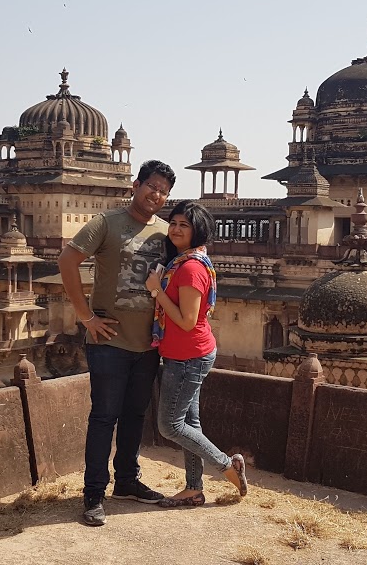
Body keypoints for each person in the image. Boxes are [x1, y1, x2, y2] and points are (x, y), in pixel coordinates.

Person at [57, 159, 176, 527]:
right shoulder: (107, 223)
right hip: (108, 341)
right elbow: (67, 261)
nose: (156, 194)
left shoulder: (166, 233)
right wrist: (85, 316)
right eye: (151, 186)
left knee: (135, 416)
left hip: (148, 345)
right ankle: (94, 493)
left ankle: (126, 481)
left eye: (163, 191)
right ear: (136, 186)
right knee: (104, 417)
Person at [144, 200, 247, 508]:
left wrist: (156, 290)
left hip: (189, 356)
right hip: (185, 354)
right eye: (173, 223)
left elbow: (187, 321)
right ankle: (193, 489)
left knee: (170, 425)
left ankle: (227, 466)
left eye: (184, 225)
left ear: (197, 231)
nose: (176, 229)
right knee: (189, 423)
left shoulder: (190, 268)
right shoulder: (182, 261)